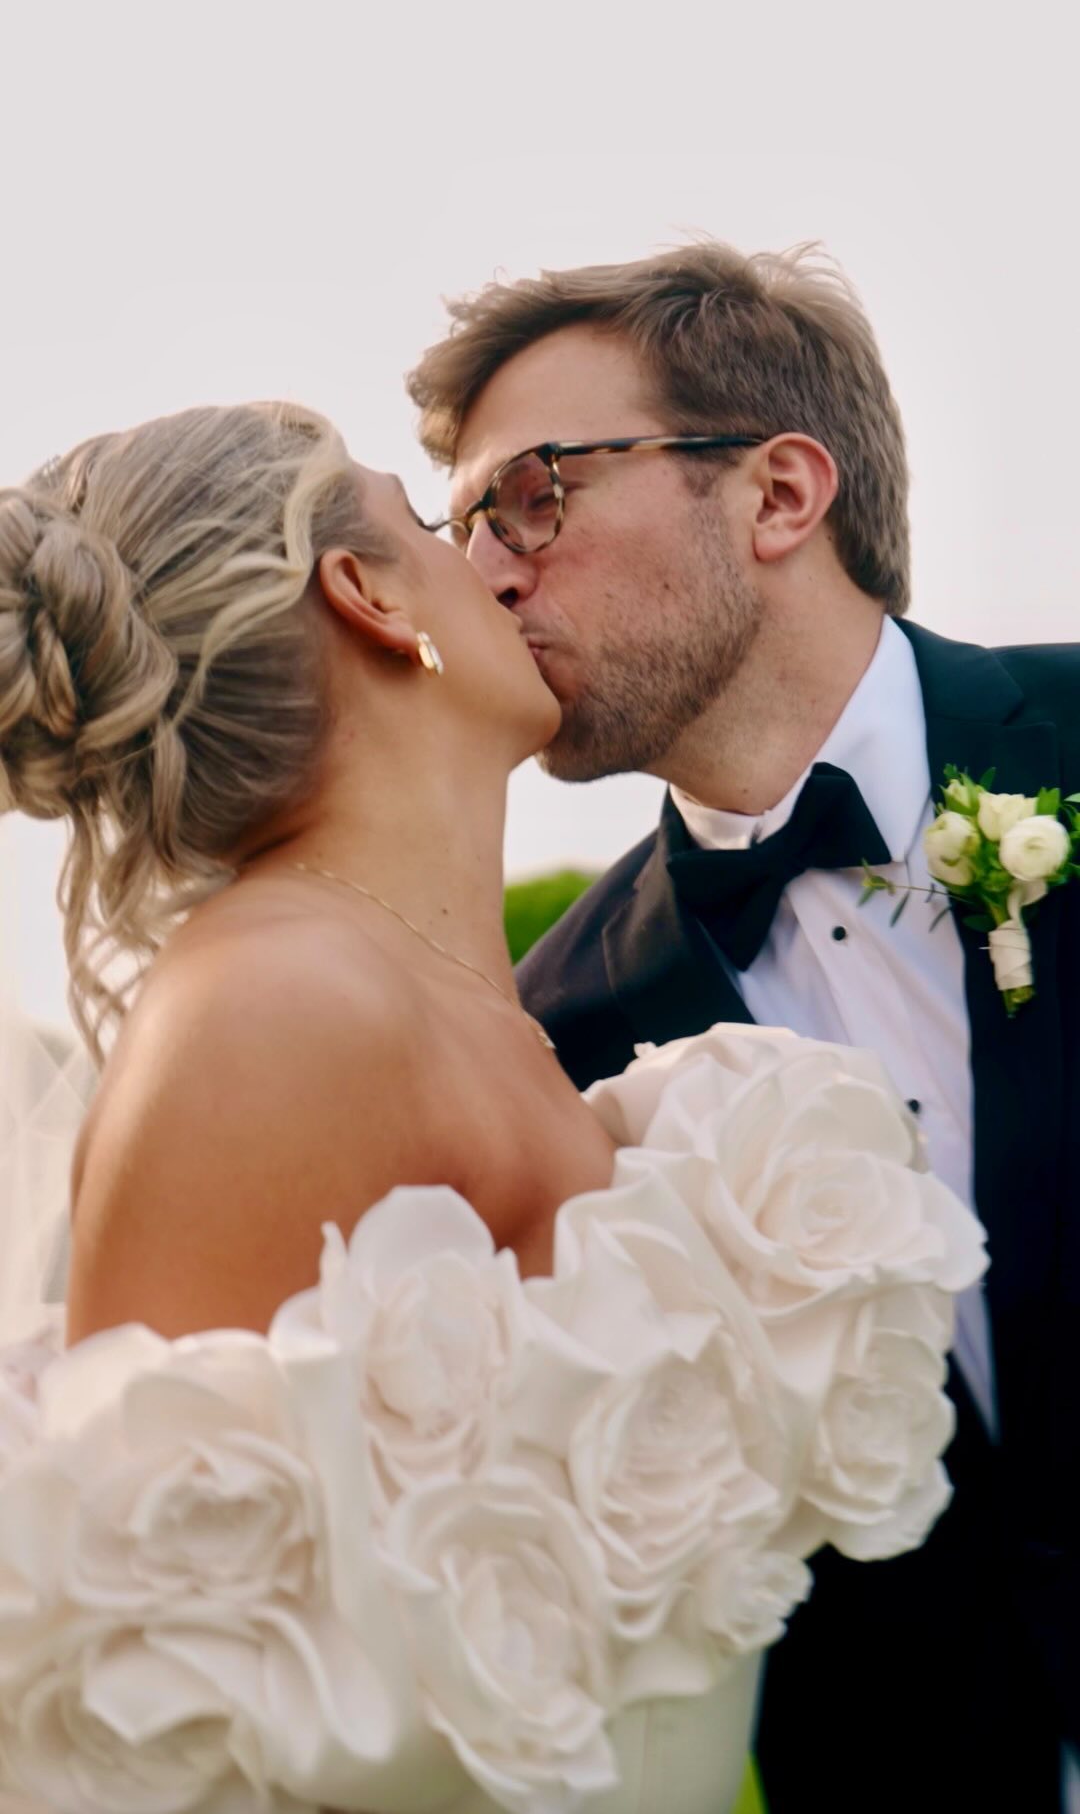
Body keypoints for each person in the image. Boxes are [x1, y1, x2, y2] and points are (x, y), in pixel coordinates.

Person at [0, 400, 981, 1812]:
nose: (503, 569)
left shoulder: (491, 1017)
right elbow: (150, 1673)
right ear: (371, 597)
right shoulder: (270, 1010)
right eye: (430, 524)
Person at [408, 242, 1080, 1813]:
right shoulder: (550, 1035)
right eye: (464, 530)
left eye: (537, 494)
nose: (490, 574)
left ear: (780, 494)